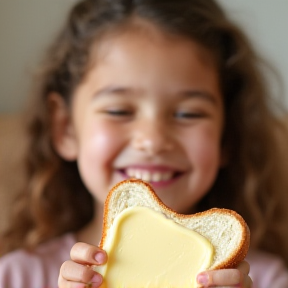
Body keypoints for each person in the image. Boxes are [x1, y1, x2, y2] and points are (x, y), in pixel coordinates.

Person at [1, 0, 288, 287]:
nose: (153, 140)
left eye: (188, 113)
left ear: (227, 137)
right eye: (119, 111)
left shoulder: (266, 279)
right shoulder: (16, 276)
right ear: (66, 129)